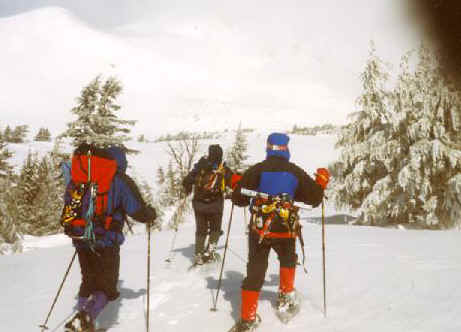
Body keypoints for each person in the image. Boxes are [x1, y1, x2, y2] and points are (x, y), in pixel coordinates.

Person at [231, 132, 330, 331]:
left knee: (256, 269)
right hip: (285, 228)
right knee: (288, 259)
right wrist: (321, 182)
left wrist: (237, 184)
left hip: (260, 230)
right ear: (286, 149)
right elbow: (313, 199)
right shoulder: (294, 172)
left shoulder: (257, 170)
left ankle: (247, 318)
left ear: (268, 148)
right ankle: (285, 296)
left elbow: (238, 199)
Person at [62, 144, 156, 332]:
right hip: (106, 241)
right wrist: (150, 214)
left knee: (88, 280)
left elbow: (68, 204)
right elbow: (136, 210)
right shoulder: (119, 180)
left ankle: (81, 316)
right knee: (107, 288)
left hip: (81, 237)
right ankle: (86, 318)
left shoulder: (81, 176)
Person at [182, 144, 240, 265]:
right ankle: (210, 252)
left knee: (201, 229)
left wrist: (187, 189)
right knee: (215, 228)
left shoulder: (200, 166)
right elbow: (235, 182)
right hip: (216, 204)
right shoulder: (222, 169)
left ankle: (198, 254)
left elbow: (187, 180)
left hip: (198, 204)